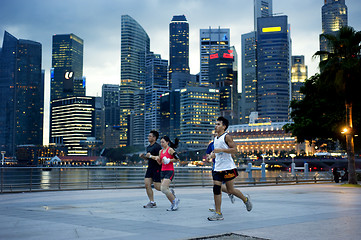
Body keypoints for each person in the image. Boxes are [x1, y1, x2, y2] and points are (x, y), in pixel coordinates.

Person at [208, 116, 252, 221]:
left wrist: (221, 150)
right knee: (216, 188)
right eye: (216, 124)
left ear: (224, 126)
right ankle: (218, 213)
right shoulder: (215, 138)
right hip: (217, 167)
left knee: (230, 190)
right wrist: (212, 155)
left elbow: (234, 150)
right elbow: (216, 152)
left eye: (218, 124)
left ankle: (245, 199)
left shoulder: (227, 137)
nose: (216, 126)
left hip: (228, 167)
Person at [147, 136, 180, 211]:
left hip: (169, 171)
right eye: (161, 142)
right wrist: (152, 157)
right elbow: (160, 162)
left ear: (167, 142)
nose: (161, 144)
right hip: (162, 171)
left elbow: (177, 159)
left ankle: (175, 201)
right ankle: (173, 203)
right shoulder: (160, 151)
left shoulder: (170, 150)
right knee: (163, 189)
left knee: (164, 188)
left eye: (163, 142)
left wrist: (169, 160)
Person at [206, 140, 235, 212]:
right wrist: (209, 157)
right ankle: (216, 207)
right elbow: (208, 154)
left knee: (226, 187)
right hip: (216, 168)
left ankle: (232, 193)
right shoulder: (211, 144)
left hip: (226, 167)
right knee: (217, 187)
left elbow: (232, 154)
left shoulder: (225, 143)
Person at [139, 130, 162, 208]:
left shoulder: (157, 147)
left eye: (150, 136)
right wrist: (143, 157)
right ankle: (152, 202)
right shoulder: (148, 147)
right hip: (150, 168)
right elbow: (148, 158)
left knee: (157, 187)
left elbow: (160, 158)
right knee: (147, 184)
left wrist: (151, 156)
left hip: (157, 168)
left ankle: (169, 191)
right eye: (148, 136)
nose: (148, 137)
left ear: (154, 138)